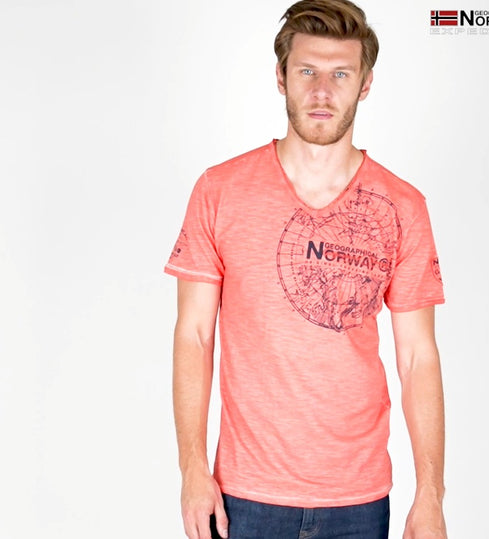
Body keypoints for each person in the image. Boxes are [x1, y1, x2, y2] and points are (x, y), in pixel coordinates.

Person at [165, 1, 447, 538]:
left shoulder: (402, 206)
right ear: (281, 77)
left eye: (340, 74)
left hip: (360, 499)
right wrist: (192, 470)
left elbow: (417, 357)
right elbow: (194, 335)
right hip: (243, 496)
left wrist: (430, 495)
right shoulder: (220, 191)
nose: (322, 92)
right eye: (307, 71)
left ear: (365, 84)